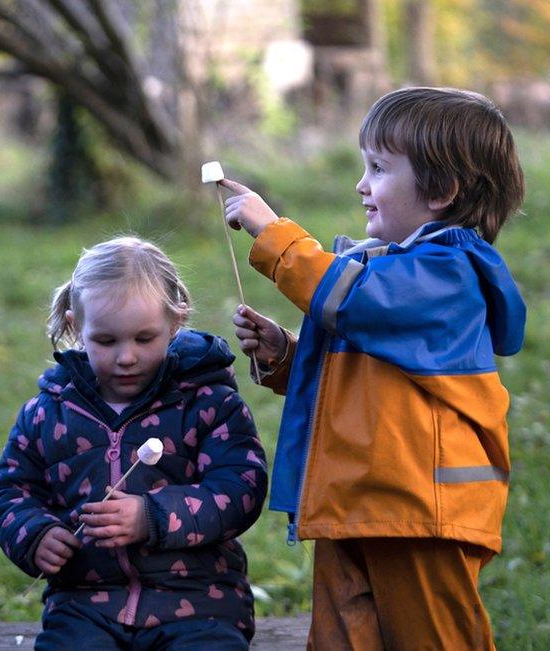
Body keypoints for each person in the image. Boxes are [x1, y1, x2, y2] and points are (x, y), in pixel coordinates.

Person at [225, 87, 526, 648]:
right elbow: (365, 372)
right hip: (358, 499)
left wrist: (275, 236)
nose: (362, 185)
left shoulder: (448, 273)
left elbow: (356, 301)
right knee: (340, 640)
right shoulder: (391, 270)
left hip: (419, 509)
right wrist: (286, 355)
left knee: (433, 639)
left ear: (442, 190)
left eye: (379, 168)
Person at [0, 236, 268, 650]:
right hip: (85, 607)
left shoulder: (208, 402)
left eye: (144, 338)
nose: (126, 357)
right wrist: (35, 534)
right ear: (74, 327)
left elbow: (241, 488)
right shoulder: (49, 413)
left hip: (198, 606)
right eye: (106, 341)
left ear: (175, 322)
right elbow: (10, 490)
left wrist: (151, 516)